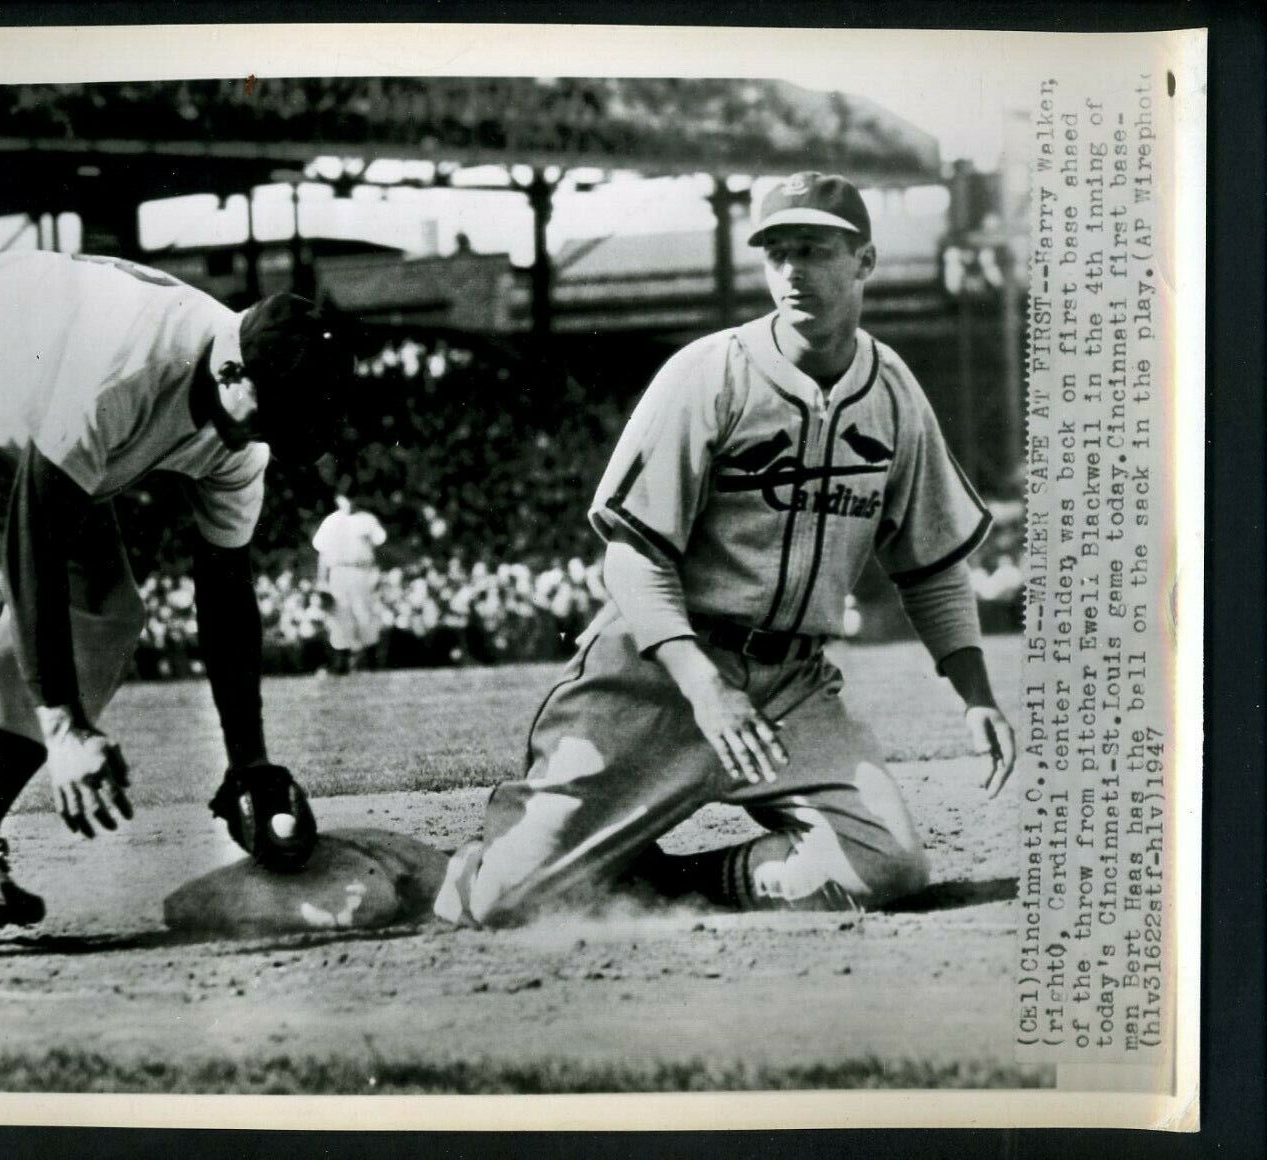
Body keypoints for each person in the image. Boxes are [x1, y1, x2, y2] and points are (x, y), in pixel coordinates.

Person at [434, 172, 1017, 926]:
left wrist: (974, 693)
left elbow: (931, 564)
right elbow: (632, 554)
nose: (792, 271)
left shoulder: (896, 393)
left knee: (889, 866)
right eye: (777, 253)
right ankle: (461, 861)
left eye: (813, 249)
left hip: (791, 687)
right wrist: (706, 688)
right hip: (659, 678)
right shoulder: (708, 374)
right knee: (504, 900)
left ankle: (670, 883)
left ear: (864, 262)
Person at [0, 249, 349, 968]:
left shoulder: (242, 425)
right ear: (232, 370)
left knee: (108, 615)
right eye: (270, 417)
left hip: (23, 426)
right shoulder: (128, 360)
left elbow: (225, 589)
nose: (267, 436)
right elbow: (36, 527)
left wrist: (249, 761)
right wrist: (62, 721)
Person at [311, 494, 387, 673]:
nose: (349, 502)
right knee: (340, 615)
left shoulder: (368, 520)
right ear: (338, 499)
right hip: (338, 571)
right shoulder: (330, 521)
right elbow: (323, 554)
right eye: (345, 498)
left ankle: (372, 662)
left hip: (361, 571)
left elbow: (378, 547)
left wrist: (377, 574)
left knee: (364, 614)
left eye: (352, 497)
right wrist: (322, 581)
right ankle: (341, 662)